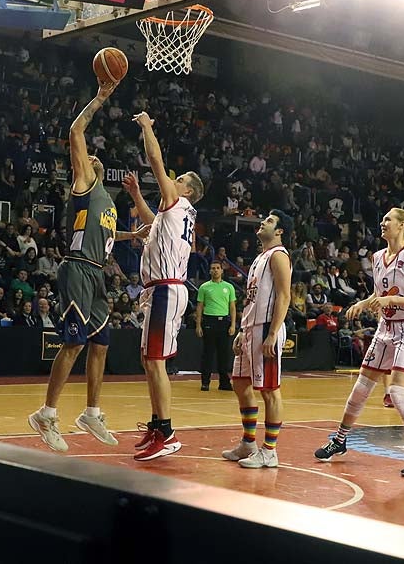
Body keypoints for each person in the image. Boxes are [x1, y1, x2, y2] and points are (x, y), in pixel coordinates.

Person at [28, 80, 145, 453]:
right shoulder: (84, 185)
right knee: (75, 342)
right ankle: (46, 413)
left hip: (97, 271)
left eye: (94, 156)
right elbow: (76, 130)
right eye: (86, 157)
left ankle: (91, 412)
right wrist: (100, 98)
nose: (91, 156)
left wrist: (133, 235)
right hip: (77, 268)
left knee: (102, 343)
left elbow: (107, 237)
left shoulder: (107, 202)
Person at [314, 208, 404, 478]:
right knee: (361, 387)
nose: (382, 223)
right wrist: (364, 302)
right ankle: (340, 440)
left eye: (388, 220)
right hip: (385, 328)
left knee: (397, 393)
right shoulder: (378, 257)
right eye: (382, 219)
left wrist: (390, 301)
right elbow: (380, 293)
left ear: (402, 226)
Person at [121, 111, 205, 461]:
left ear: (186, 190)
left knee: (155, 362)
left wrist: (146, 127)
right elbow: (151, 223)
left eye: (180, 178)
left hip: (167, 289)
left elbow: (156, 160)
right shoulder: (175, 213)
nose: (174, 180)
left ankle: (167, 432)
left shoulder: (179, 202)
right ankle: (157, 424)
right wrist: (138, 195)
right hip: (161, 290)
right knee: (148, 359)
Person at [221, 210, 293, 469]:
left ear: (280, 231)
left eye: (271, 221)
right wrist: (242, 329)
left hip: (266, 328)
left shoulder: (279, 255)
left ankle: (270, 451)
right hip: (250, 328)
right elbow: (253, 299)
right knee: (240, 384)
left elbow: (285, 296)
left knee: (270, 391)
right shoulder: (259, 258)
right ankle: (248, 443)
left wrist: (273, 333)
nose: (264, 222)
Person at [195, 262, 237, 392]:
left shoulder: (229, 287)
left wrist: (233, 324)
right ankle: (205, 382)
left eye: (218, 268)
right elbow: (200, 307)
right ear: (209, 271)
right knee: (208, 353)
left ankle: (224, 382)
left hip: (223, 322)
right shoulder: (204, 287)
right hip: (209, 321)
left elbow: (232, 307)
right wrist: (198, 325)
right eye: (213, 268)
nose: (215, 270)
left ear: (222, 271)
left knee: (223, 354)